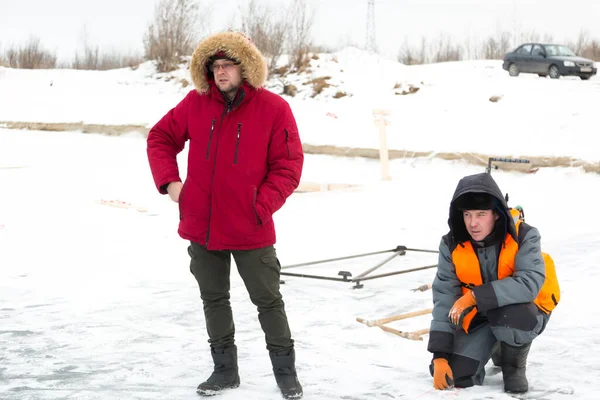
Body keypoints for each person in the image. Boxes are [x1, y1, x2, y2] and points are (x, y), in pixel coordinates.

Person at [146, 31, 304, 399]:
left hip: (251, 226)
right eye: (215, 66)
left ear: (244, 67)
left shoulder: (274, 108)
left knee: (268, 301)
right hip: (202, 227)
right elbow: (160, 138)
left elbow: (288, 166)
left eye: (227, 65)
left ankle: (286, 374)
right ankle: (224, 371)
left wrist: (260, 205)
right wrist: (171, 183)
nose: (220, 72)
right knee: (213, 299)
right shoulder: (195, 104)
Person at [427, 172, 560, 393]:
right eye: (467, 214)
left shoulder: (525, 235)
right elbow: (444, 298)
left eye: (481, 214)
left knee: (512, 318)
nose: (473, 223)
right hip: (480, 315)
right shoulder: (450, 245)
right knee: (457, 374)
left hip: (523, 310)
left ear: (496, 214)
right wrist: (439, 354)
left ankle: (513, 365)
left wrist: (474, 296)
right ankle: (496, 341)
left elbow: (528, 283)